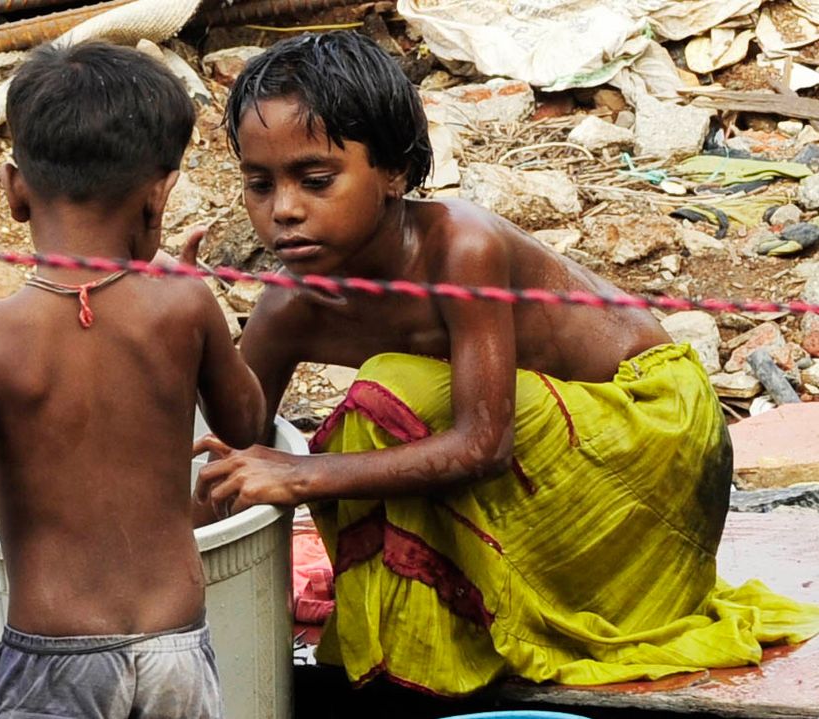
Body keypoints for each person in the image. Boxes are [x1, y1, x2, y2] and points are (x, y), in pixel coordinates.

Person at [192, 31, 819, 700]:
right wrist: (190, 321)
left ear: (395, 172)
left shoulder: (461, 247)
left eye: (316, 181)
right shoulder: (291, 303)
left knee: (380, 402)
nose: (283, 209)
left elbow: (485, 442)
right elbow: (241, 436)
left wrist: (304, 474)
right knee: (358, 430)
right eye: (260, 184)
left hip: (651, 435)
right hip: (542, 454)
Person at [0, 41, 266, 719]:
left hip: (54, 649)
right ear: (158, 194)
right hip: (177, 644)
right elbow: (246, 424)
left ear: (15, 188)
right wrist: (203, 299)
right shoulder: (183, 304)